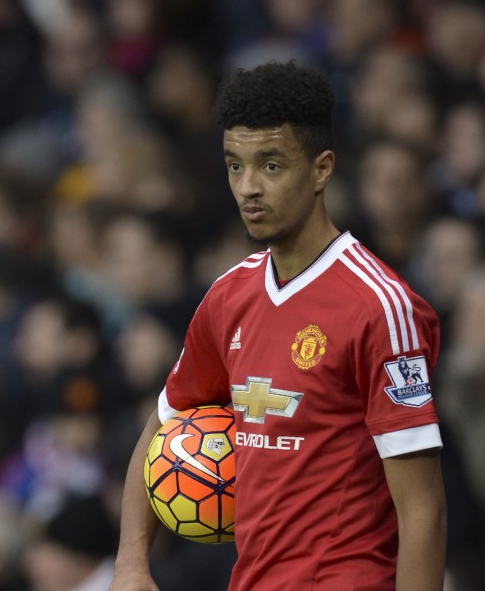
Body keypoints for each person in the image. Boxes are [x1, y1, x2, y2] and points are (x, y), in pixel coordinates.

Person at [112, 61, 446, 590]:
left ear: (321, 169)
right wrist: (131, 563)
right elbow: (162, 425)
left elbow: (424, 510)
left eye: (271, 165)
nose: (248, 187)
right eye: (234, 165)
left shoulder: (381, 307)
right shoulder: (228, 297)